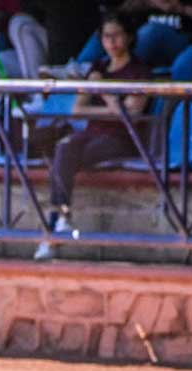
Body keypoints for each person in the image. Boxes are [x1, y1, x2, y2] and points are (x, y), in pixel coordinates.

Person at [34, 11, 151, 261]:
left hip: (121, 139)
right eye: (106, 37)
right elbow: (79, 108)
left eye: (116, 35)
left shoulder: (137, 71)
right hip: (91, 134)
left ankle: (52, 230)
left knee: (65, 156)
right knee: (64, 149)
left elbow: (129, 114)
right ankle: (60, 219)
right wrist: (108, 103)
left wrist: (104, 90)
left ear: (128, 37)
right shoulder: (99, 68)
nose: (111, 42)